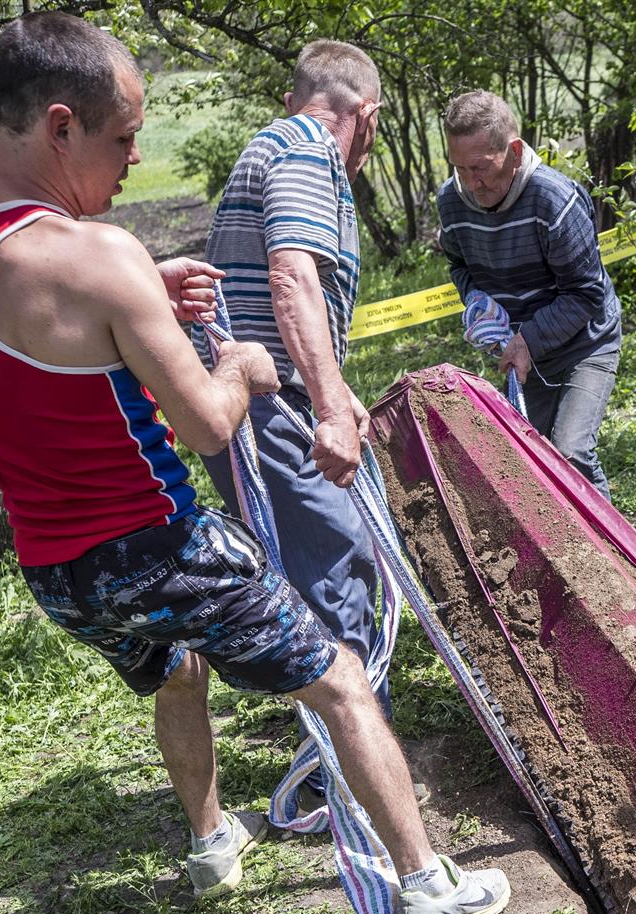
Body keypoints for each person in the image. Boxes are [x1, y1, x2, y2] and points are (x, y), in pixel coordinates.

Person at [0, 13, 509, 914]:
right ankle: (428, 887)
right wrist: (249, 370)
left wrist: (143, 287)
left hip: (57, 574)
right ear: (60, 126)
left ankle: (210, 841)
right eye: (122, 136)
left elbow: (38, 320)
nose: (135, 160)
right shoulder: (98, 256)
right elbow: (205, 422)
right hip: (160, 545)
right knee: (342, 678)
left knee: (179, 670)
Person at [196, 40, 387, 689]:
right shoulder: (308, 147)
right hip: (269, 407)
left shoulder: (276, 141)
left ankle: (334, 756)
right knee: (339, 568)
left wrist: (332, 386)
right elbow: (291, 278)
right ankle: (352, 780)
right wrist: (328, 407)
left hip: (259, 400)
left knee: (323, 572)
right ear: (368, 114)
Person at [437, 91, 623, 499]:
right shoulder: (450, 202)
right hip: (525, 352)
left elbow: (586, 293)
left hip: (586, 344)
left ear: (515, 151)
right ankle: (562, 556)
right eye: (460, 169)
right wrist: (477, 301)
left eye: (481, 168)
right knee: (532, 464)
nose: (472, 183)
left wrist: (528, 340)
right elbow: (459, 264)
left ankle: (615, 557)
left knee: (571, 453)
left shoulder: (554, 199)